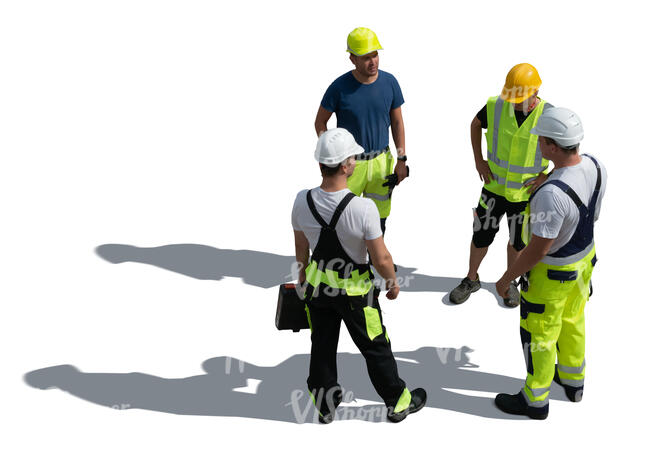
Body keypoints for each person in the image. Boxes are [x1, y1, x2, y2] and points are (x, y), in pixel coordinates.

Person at [291, 128, 426, 423]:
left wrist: (302, 283)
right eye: (352, 157)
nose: (354, 161)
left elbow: (301, 252)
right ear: (346, 166)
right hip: (356, 294)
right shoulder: (363, 209)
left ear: (320, 164)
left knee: (322, 345)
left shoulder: (301, 201)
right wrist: (392, 283)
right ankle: (398, 401)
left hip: (318, 290)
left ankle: (324, 406)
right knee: (376, 346)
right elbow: (381, 258)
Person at [493, 107, 607, 419]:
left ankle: (535, 400)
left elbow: (536, 251)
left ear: (552, 147)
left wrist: (506, 280)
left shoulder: (550, 196)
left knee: (539, 334)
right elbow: (590, 213)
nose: (538, 145)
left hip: (551, 277)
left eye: (541, 141)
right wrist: (553, 176)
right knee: (573, 321)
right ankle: (573, 381)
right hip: (584, 264)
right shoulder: (596, 166)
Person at [450, 63, 553, 307]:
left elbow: (567, 149)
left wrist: (547, 177)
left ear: (535, 92)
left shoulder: (549, 115)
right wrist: (479, 161)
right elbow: (475, 124)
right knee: (481, 235)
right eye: (513, 97)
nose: (514, 102)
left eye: (520, 98)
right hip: (493, 188)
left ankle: (511, 283)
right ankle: (471, 278)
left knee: (518, 241)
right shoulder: (496, 105)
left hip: (524, 194)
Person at [314, 27, 408, 237]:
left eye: (375, 55)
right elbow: (320, 122)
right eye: (365, 57)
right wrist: (331, 157)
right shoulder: (339, 88)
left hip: (381, 162)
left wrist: (401, 158)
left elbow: (397, 122)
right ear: (352, 59)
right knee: (340, 214)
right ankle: (339, 261)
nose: (372, 61)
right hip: (349, 163)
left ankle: (375, 258)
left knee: (379, 215)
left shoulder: (390, 83)